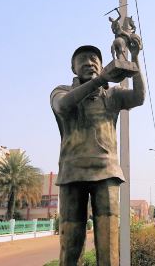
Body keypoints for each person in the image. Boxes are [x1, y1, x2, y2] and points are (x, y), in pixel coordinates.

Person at [50, 45, 145, 266]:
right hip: (72, 173)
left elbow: (139, 97)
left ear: (102, 65)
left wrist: (135, 57)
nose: (89, 62)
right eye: (82, 59)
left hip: (107, 173)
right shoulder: (61, 91)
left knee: (109, 246)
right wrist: (99, 80)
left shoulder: (112, 94)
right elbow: (63, 105)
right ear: (73, 67)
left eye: (94, 59)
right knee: (71, 245)